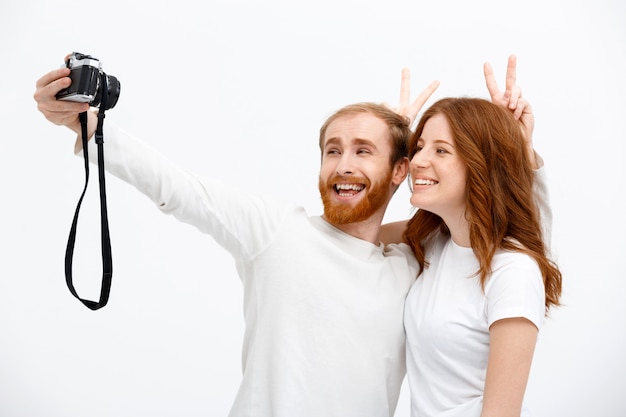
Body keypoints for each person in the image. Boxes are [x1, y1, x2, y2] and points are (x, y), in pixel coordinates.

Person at [34, 60, 441, 417]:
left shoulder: (408, 267)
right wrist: (84, 123)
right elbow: (179, 188)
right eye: (333, 151)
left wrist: (496, 141)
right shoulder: (278, 230)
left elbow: (462, 221)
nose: (343, 165)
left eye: (363, 151)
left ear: (400, 170)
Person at [392, 84, 562, 415]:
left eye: (441, 151)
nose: (417, 161)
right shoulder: (433, 243)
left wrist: (518, 147)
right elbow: (357, 235)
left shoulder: (513, 272)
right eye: (420, 146)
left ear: (482, 165)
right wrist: (387, 142)